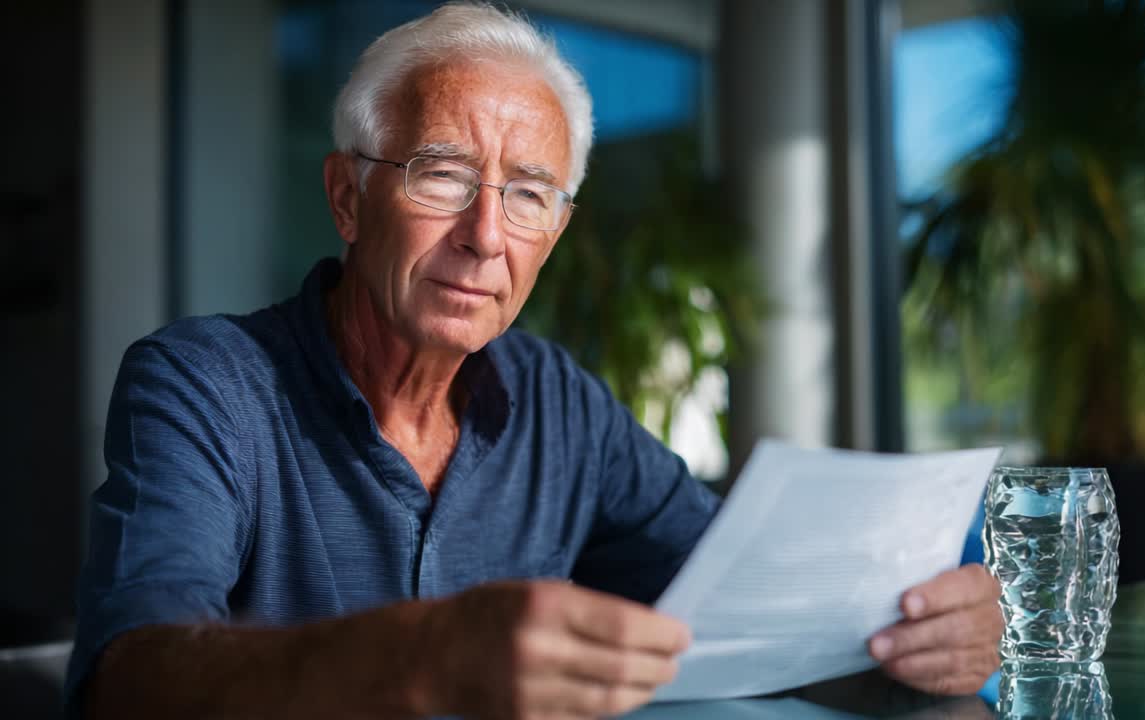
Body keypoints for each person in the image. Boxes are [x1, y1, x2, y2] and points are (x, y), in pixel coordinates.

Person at [67, 3, 1002, 718]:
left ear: (555, 232)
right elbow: (128, 677)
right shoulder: (206, 382)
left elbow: (752, 600)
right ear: (348, 199)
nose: (486, 237)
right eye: (441, 174)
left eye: (529, 196)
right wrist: (425, 656)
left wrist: (920, 633)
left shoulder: (560, 404)